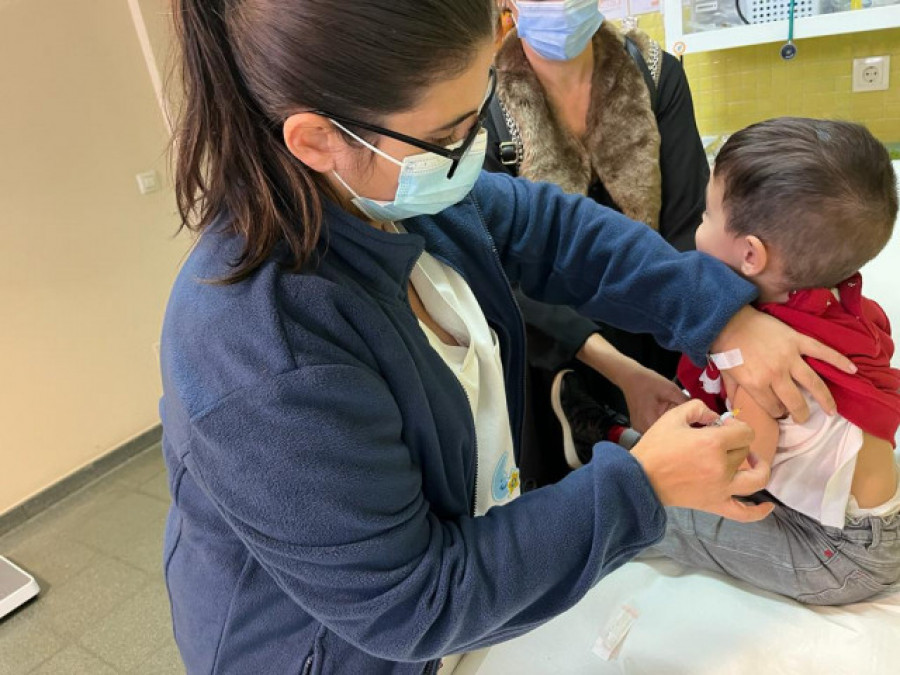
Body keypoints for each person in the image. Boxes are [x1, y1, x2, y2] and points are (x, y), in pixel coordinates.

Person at [160, 2, 853, 673]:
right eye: (453, 130)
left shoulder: (404, 198)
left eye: (482, 100)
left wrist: (720, 313)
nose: (476, 150)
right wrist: (645, 485)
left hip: (473, 601)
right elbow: (415, 602)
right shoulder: (261, 348)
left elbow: (558, 232)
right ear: (318, 139)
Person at [655, 117, 900, 605]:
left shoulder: (759, 370)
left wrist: (677, 471)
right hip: (859, 515)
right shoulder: (831, 298)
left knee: (660, 518)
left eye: (705, 216)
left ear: (751, 255)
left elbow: (742, 470)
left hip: (839, 554)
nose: (697, 227)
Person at [484, 0, 709, 484]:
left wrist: (704, 338)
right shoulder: (482, 104)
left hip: (657, 339)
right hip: (548, 354)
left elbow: (687, 226)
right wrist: (616, 369)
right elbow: (495, 266)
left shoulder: (653, 75)